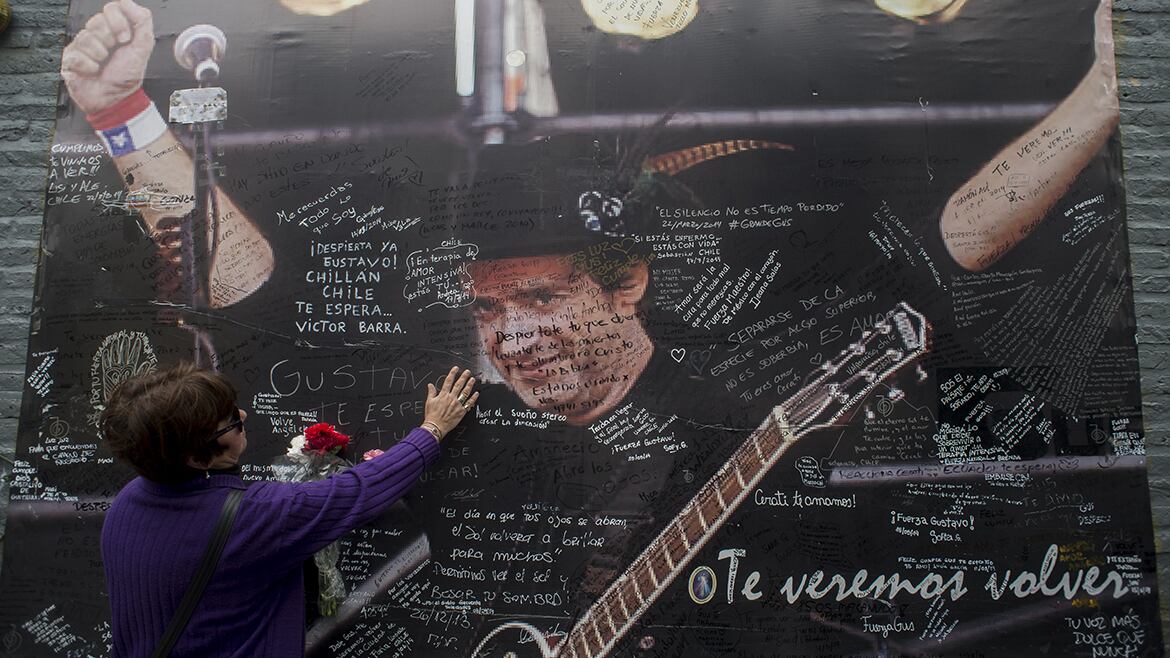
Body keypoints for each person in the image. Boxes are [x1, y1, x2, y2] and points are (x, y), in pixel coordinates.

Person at [98, 362, 478, 657]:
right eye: (230, 421)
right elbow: (360, 492)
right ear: (197, 458)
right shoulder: (252, 517)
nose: (243, 417)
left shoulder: (127, 504)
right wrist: (433, 429)